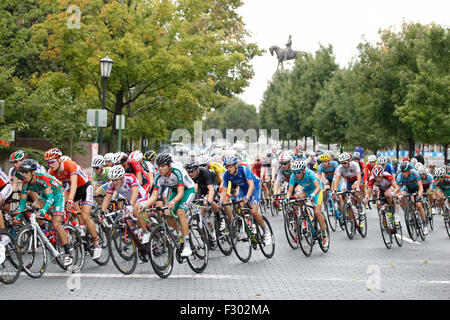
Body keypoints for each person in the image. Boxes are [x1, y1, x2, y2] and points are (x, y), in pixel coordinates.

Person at [45, 148, 102, 260]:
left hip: (85, 187)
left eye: (52, 162)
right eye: (48, 163)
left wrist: (71, 199)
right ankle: (74, 230)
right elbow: (52, 189)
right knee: (64, 210)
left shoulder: (70, 164)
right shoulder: (52, 172)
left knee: (85, 216)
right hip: (71, 189)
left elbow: (74, 183)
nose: (50, 165)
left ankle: (96, 244)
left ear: (59, 160)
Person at [16, 159, 73, 266]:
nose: (23, 175)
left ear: (33, 172)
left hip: (56, 195)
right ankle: (46, 234)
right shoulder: (25, 183)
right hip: (44, 196)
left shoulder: (42, 178)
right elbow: (22, 203)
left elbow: (50, 197)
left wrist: (43, 210)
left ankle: (68, 252)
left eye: (26, 172)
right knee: (34, 209)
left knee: (56, 223)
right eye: (22, 172)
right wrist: (17, 216)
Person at [144, 153, 197, 257]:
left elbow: (181, 193)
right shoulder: (158, 176)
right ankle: (178, 234)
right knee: (167, 212)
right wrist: (145, 206)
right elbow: (154, 195)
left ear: (169, 166)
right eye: (158, 166)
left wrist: (173, 202)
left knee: (180, 212)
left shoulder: (177, 172)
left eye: (163, 166)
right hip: (174, 190)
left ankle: (187, 246)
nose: (160, 169)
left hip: (188, 189)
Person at [218, 155, 271, 246]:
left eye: (230, 166)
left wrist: (247, 197)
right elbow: (224, 190)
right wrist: (221, 201)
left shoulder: (244, 169)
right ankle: (251, 226)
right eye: (227, 167)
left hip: (254, 187)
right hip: (243, 188)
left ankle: (266, 232)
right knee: (239, 207)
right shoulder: (227, 175)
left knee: (254, 211)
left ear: (236, 165)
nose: (228, 169)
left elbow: (251, 185)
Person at [100, 165, 151, 244]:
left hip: (141, 197)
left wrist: (131, 206)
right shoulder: (111, 184)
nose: (114, 182)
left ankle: (145, 232)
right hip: (130, 200)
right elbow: (107, 198)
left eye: (116, 180)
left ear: (122, 178)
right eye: (112, 180)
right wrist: (102, 211)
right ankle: (139, 240)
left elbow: (135, 193)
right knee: (129, 223)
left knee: (135, 209)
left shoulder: (130, 178)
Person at [285, 160, 328, 248]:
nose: (296, 174)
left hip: (317, 190)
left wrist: (313, 195)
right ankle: (304, 215)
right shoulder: (293, 176)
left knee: (317, 212)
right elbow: (289, 191)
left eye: (298, 172)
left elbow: (318, 187)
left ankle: (324, 236)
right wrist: (287, 198)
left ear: (303, 170)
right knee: (298, 198)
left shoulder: (310, 173)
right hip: (307, 189)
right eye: (294, 172)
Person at [394, 161, 429, 235]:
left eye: (406, 171)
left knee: (419, 206)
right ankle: (409, 212)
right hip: (407, 188)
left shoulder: (415, 173)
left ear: (409, 170)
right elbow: (398, 188)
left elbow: (420, 187)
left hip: (416, 188)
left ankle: (425, 225)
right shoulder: (400, 176)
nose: (404, 173)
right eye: (402, 171)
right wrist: (393, 194)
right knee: (402, 196)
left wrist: (419, 195)